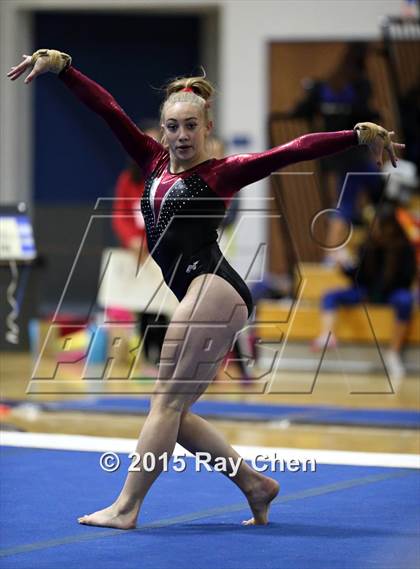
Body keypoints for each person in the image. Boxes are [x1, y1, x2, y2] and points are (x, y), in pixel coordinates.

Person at [7, 49, 404, 530]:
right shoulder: (151, 161)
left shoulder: (221, 174)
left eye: (190, 126)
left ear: (206, 126)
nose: (180, 136)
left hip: (213, 287)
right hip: (204, 292)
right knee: (172, 409)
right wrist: (66, 70)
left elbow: (291, 150)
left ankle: (127, 506)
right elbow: (107, 110)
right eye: (172, 126)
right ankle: (256, 485)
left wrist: (355, 134)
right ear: (162, 130)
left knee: (166, 402)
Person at [313, 204, 417, 382]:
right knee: (330, 295)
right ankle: (328, 335)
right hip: (367, 291)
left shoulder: (404, 248)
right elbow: (358, 275)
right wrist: (344, 266)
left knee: (405, 301)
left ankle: (393, 352)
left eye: (377, 224)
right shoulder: (368, 245)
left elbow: (407, 279)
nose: (374, 228)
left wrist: (378, 291)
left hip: (391, 293)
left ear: (389, 226)